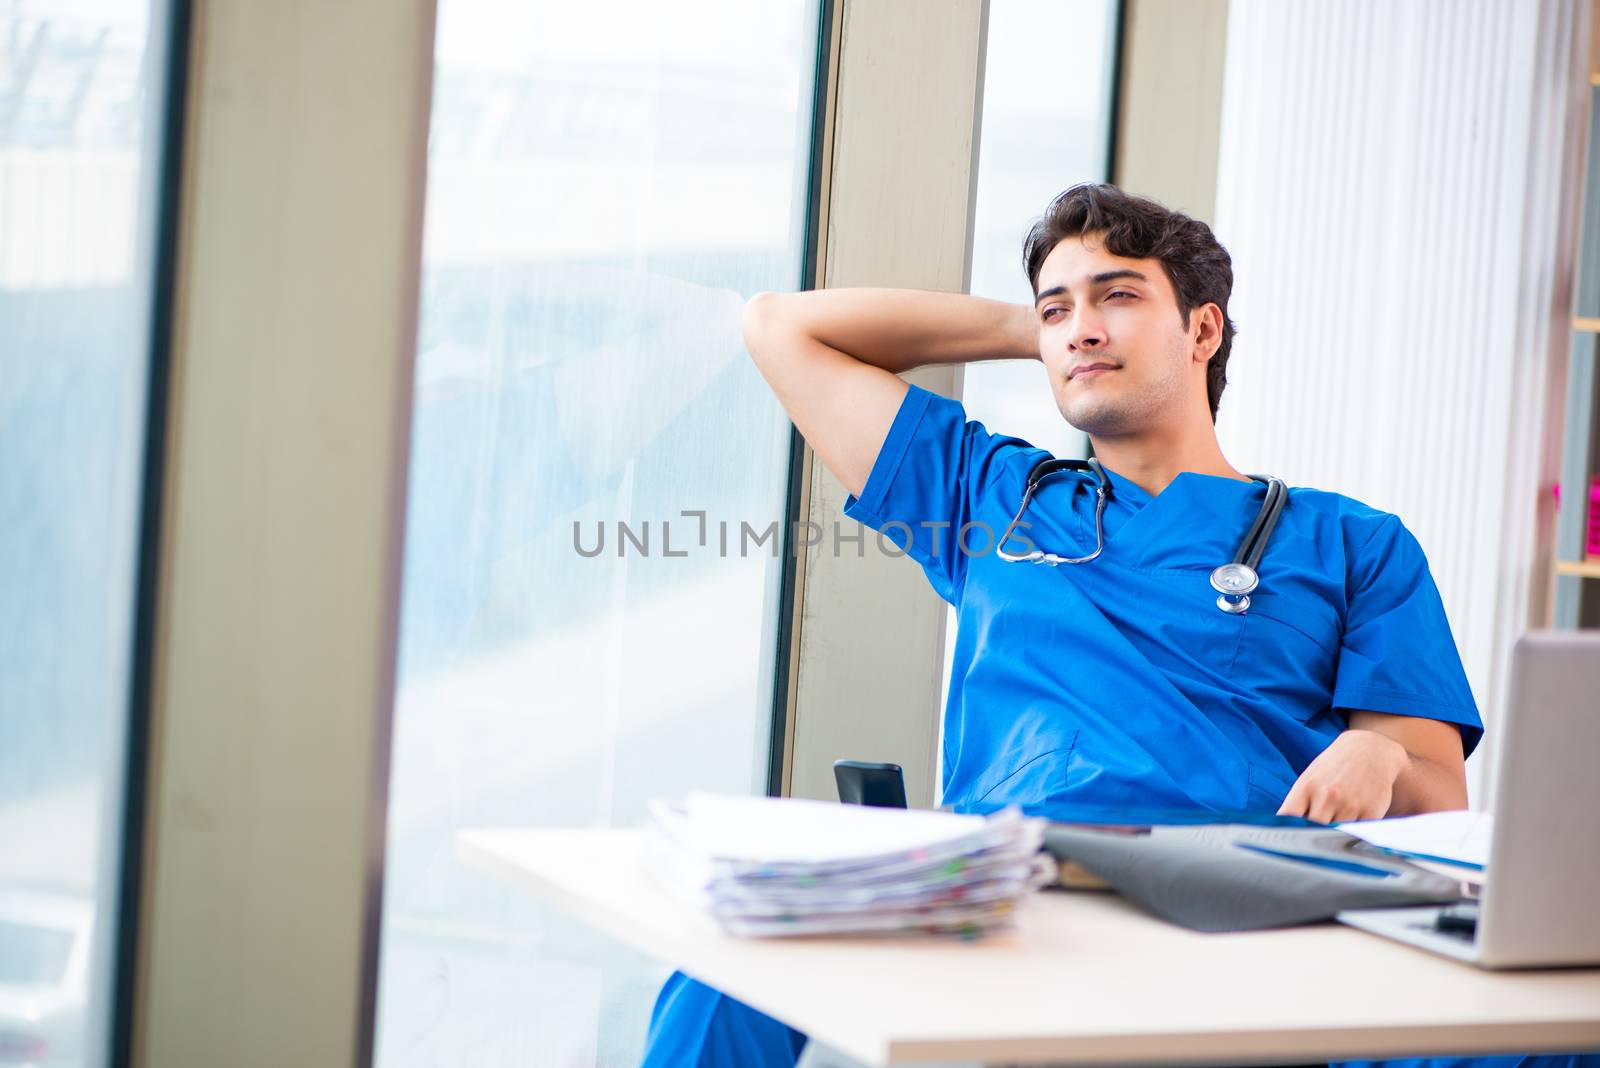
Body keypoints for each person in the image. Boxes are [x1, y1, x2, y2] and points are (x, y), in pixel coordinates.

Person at [639, 184, 1590, 1068]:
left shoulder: (1352, 543)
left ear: (1202, 329)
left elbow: (1437, 801)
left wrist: (1379, 757)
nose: (1081, 328)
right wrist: (1042, 331)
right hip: (1025, 904)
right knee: (723, 978)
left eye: (1119, 297)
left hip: (1253, 922)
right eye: (1058, 307)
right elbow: (782, 328)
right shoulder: (990, 498)